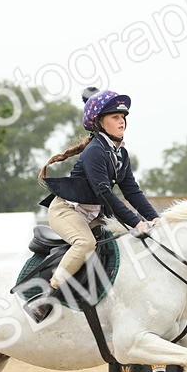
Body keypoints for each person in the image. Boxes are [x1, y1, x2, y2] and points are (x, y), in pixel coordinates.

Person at [27, 88, 160, 322]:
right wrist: (136, 222)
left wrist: (155, 218)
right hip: (66, 210)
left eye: (123, 118)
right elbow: (105, 193)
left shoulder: (120, 154)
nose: (122, 122)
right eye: (115, 118)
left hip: (91, 214)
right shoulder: (95, 152)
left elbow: (132, 191)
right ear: (100, 123)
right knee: (85, 243)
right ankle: (47, 295)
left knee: (121, 243)